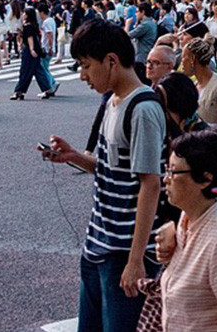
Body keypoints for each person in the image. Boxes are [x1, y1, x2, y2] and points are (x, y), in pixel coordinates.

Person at [44, 18, 167, 332]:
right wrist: (74, 157)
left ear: (111, 61)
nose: (83, 75)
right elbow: (114, 170)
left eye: (86, 65)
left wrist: (136, 259)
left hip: (123, 251)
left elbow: (150, 184)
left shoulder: (143, 109)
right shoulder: (113, 101)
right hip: (98, 244)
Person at [151, 129, 217, 332]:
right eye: (166, 169)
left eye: (174, 171)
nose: (165, 179)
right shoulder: (187, 219)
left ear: (206, 179)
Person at [185, 39, 217, 139]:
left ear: (193, 59)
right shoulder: (193, 85)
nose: (181, 62)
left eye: (184, 58)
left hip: (213, 147)